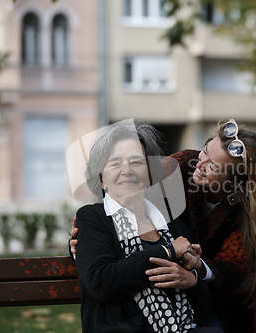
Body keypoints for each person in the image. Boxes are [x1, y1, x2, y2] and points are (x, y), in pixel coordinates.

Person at [71, 119, 256, 333]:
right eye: (205, 152)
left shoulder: (246, 211)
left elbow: (230, 271)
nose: (199, 165)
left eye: (212, 166)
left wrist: (197, 269)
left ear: (233, 184)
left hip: (221, 301)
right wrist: (82, 245)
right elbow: (123, 192)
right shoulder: (180, 167)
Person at [75, 122, 223, 333]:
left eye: (136, 162)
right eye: (115, 164)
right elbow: (102, 281)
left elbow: (204, 304)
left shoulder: (172, 224)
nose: (127, 170)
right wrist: (167, 251)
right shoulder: (93, 218)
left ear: (150, 173)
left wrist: (191, 280)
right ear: (101, 180)